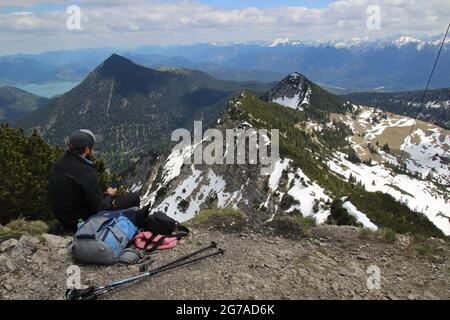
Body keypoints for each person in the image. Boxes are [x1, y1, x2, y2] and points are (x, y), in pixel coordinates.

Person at [49, 129, 142, 231]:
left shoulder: (59, 163)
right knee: (134, 198)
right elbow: (99, 209)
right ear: (87, 150)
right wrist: (109, 194)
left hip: (64, 218)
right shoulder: (86, 172)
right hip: (81, 222)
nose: (94, 149)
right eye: (93, 147)